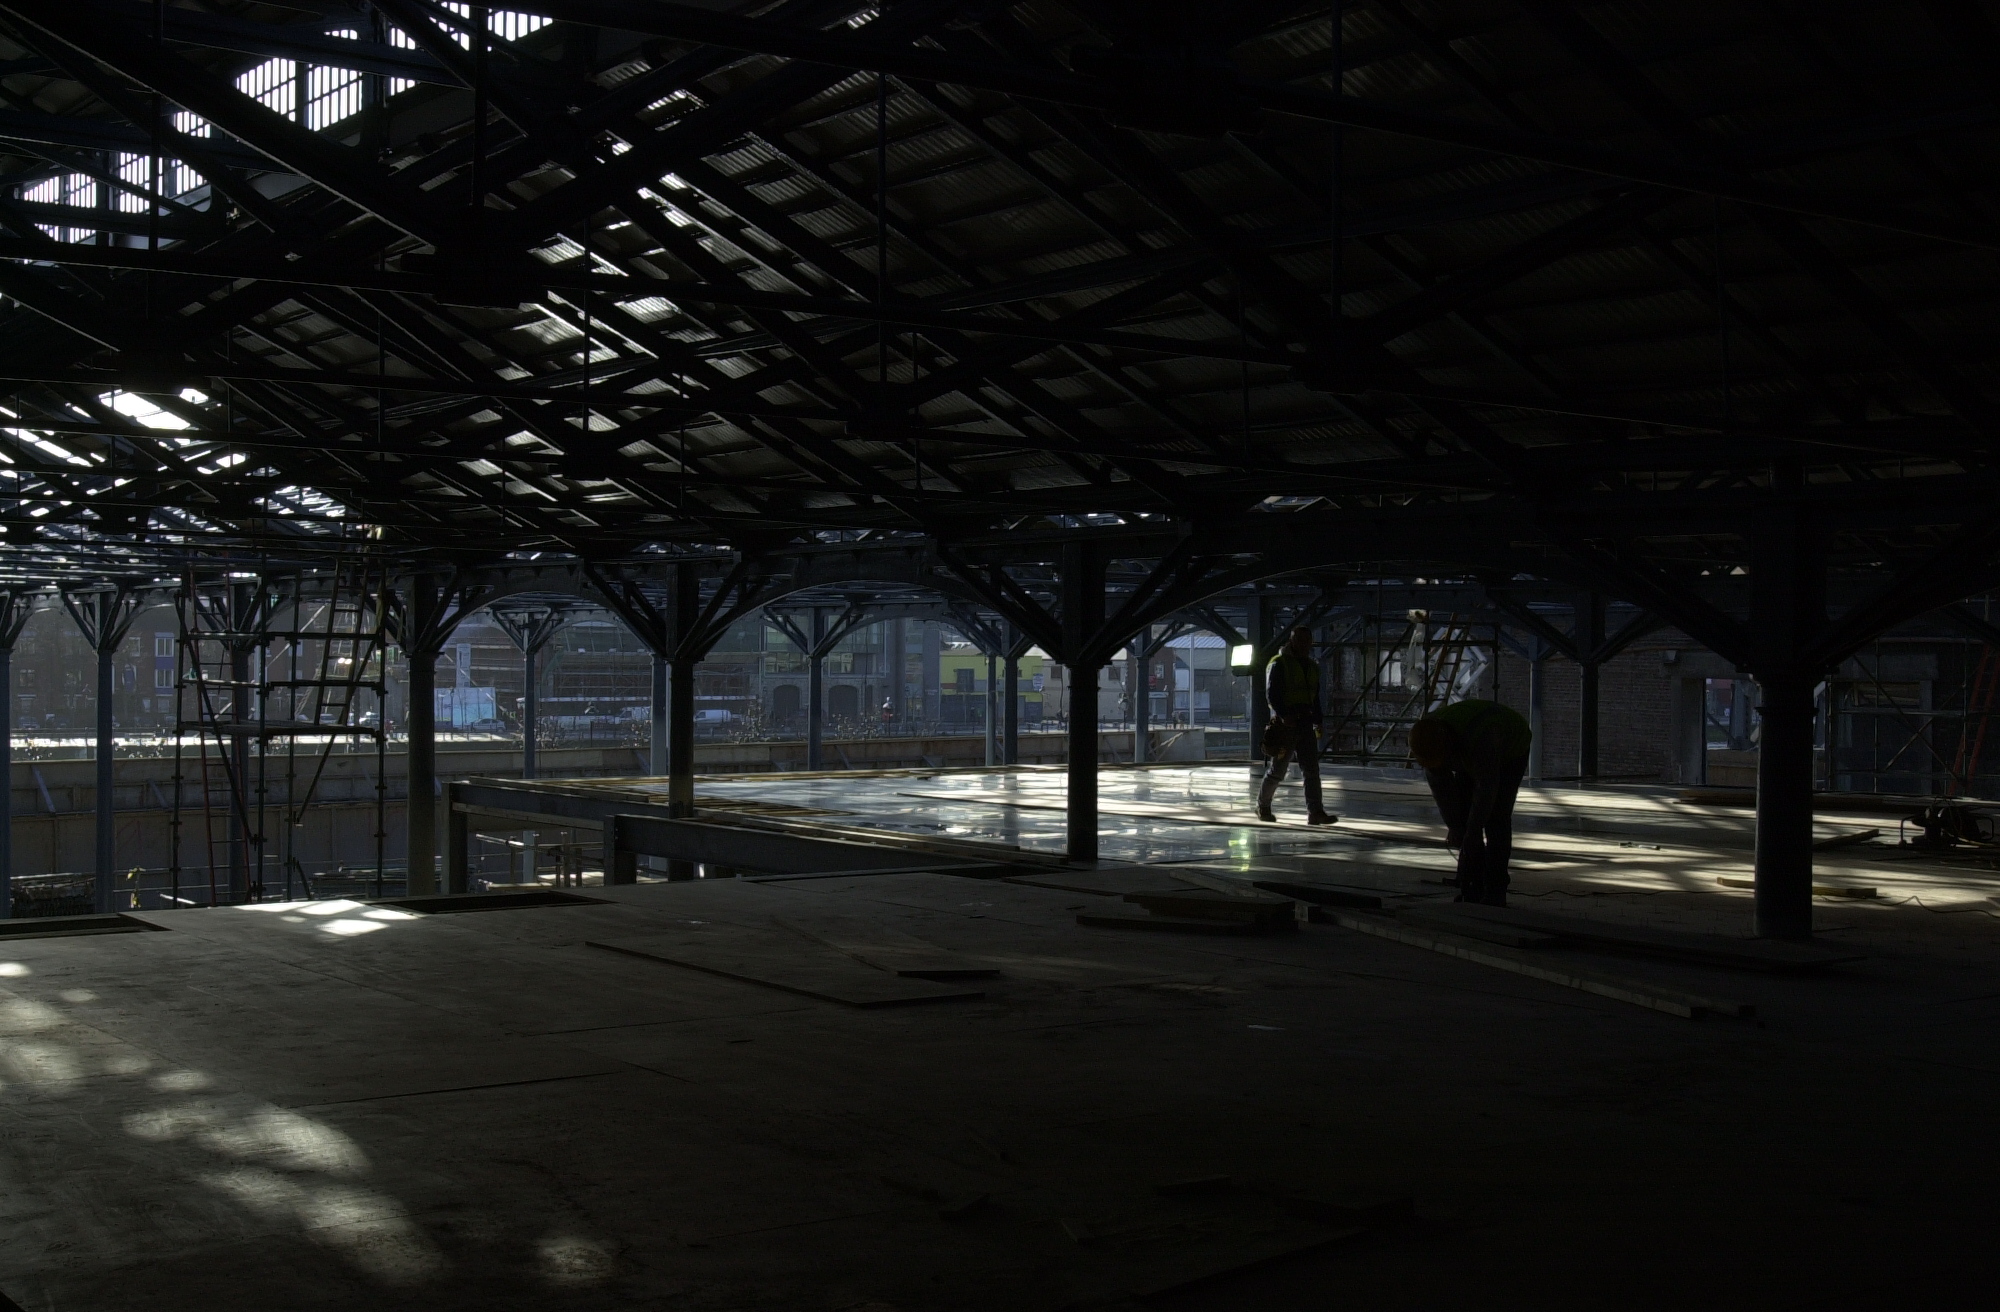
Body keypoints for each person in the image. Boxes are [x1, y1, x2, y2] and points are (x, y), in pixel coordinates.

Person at [1409, 699, 1533, 906]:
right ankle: (1471, 886)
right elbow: (1444, 792)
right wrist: (1456, 827)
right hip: (1468, 747)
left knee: (1496, 819)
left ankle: (1495, 889)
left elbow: (1487, 789)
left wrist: (1473, 831)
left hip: (1511, 749)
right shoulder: (1429, 742)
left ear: (1448, 747)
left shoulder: (1482, 738)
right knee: (1465, 820)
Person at [1257, 627, 1336, 825]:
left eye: (1306, 641)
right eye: (1301, 640)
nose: (1304, 645)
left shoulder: (1311, 667)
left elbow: (1314, 696)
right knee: (1278, 770)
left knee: (1311, 770)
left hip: (1305, 723)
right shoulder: (1280, 664)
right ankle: (1263, 806)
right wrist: (1284, 716)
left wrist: (1318, 720)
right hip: (1288, 726)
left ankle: (1315, 812)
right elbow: (1271, 695)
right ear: (1292, 641)